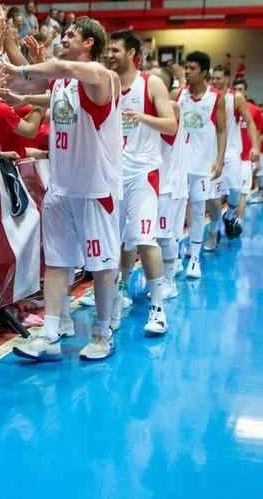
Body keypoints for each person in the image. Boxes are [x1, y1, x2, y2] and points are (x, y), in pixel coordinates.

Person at [4, 17, 123, 361]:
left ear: (89, 43)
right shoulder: (61, 85)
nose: (64, 37)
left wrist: (20, 66)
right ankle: (51, 333)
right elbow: (30, 80)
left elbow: (50, 67)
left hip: (94, 189)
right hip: (61, 187)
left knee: (101, 265)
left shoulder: (103, 77)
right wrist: (6, 43)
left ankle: (102, 332)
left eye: (71, 34)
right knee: (57, 263)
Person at [103, 30, 177, 336]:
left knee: (146, 239)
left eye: (115, 50)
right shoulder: (105, 83)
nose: (109, 55)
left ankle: (158, 308)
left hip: (143, 173)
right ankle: (119, 291)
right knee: (117, 242)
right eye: (107, 50)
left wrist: (142, 117)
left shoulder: (152, 83)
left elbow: (170, 123)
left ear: (132, 53)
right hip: (110, 174)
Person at [173, 51, 226, 279]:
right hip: (179, 164)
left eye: (192, 68)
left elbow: (222, 129)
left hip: (203, 165)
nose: (187, 71)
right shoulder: (178, 95)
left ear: (204, 72)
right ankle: (174, 258)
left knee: (197, 210)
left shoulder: (216, 97)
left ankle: (194, 259)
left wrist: (220, 160)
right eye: (186, 67)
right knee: (175, 211)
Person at [148, 65, 188, 291]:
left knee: (164, 235)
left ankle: (169, 281)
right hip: (149, 182)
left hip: (167, 184)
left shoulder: (171, 107)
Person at [209, 65, 259, 239]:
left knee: (236, 190)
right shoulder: (207, 96)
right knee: (213, 196)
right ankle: (213, 231)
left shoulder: (235, 98)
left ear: (227, 79)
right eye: (212, 78)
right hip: (211, 154)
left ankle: (229, 215)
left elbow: (251, 123)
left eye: (218, 78)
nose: (214, 81)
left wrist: (256, 146)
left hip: (231, 153)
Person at [232, 77, 263, 213]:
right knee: (230, 192)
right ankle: (229, 217)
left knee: (243, 191)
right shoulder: (227, 108)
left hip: (246, 158)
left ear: (246, 92)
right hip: (230, 157)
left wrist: (256, 155)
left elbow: (257, 133)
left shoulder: (254, 111)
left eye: (240, 90)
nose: (237, 92)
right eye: (235, 90)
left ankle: (238, 221)